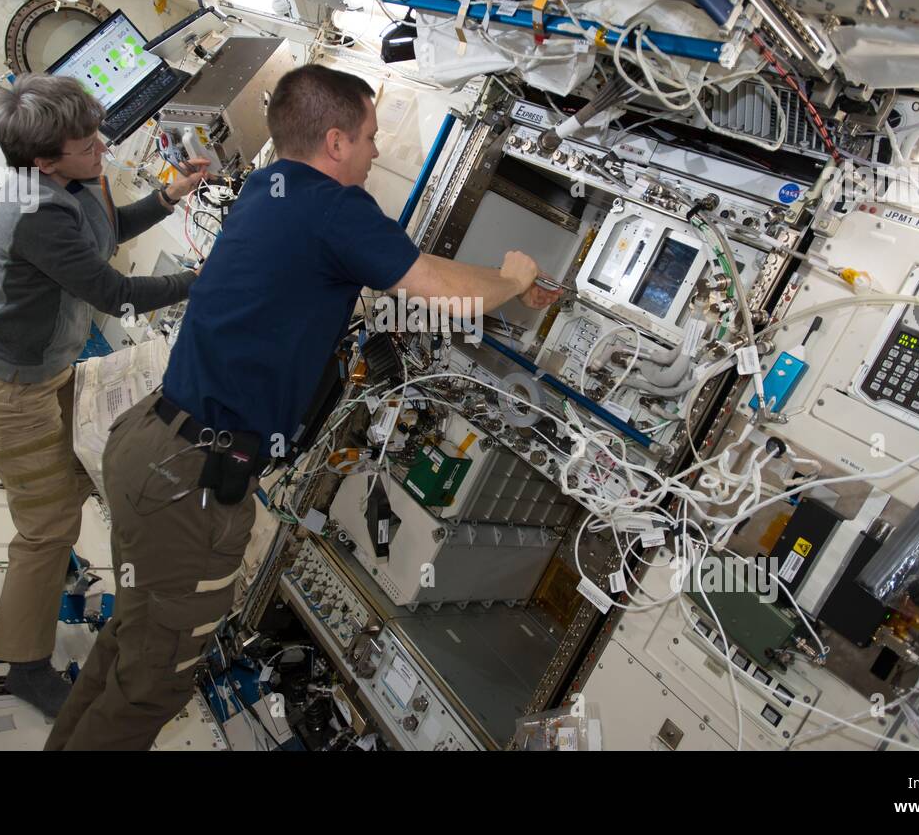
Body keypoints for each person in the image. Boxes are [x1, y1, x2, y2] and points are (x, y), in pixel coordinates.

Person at [46, 63, 558, 750]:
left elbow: (410, 270)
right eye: (371, 137)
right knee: (153, 684)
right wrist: (513, 280)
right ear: (338, 141)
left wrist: (488, 281)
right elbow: (438, 289)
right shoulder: (334, 207)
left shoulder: (269, 184)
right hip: (190, 483)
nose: (377, 151)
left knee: (128, 643)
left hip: (150, 446)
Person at [0, 73, 208, 718]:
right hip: (11, 390)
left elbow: (108, 232)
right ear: (42, 160)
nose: (101, 145)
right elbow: (115, 291)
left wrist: (171, 196)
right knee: (46, 528)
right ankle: (26, 665)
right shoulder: (35, 209)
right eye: (86, 142)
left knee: (83, 472)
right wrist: (205, 280)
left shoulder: (74, 179)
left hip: (52, 370)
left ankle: (51, 578)